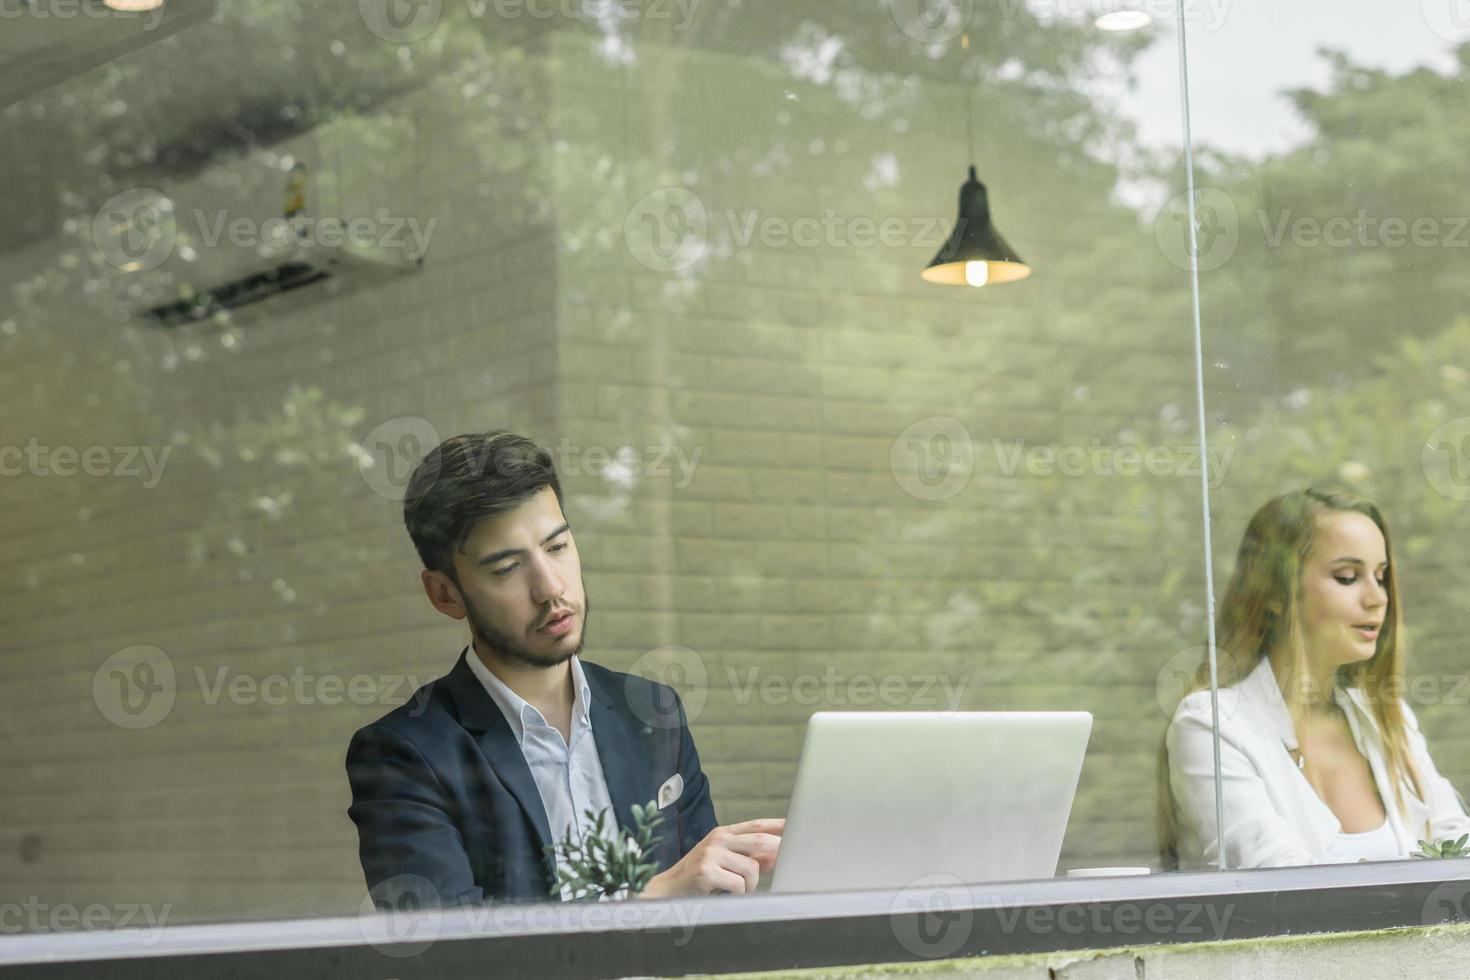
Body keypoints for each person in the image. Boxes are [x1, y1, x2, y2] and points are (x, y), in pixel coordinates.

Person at [346, 431, 782, 905]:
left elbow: (707, 910)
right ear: (445, 595)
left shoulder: (652, 713)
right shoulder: (403, 755)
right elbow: (444, 956)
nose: (550, 588)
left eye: (557, 548)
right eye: (508, 568)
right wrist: (648, 897)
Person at [1163, 487, 1470, 869]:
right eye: (1347, 577)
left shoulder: (1386, 718)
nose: (1378, 598)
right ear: (1276, 592)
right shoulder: (1211, 724)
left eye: (1381, 576)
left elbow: (1458, 846)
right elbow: (1281, 885)